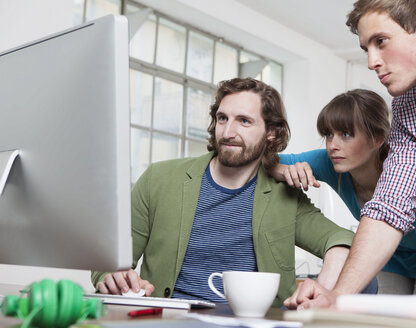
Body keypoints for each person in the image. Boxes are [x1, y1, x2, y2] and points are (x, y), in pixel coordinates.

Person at [285, 0, 416, 309]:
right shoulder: (409, 111)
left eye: (381, 42)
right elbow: (390, 207)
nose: (371, 61)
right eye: (366, 48)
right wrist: (338, 296)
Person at [91, 78, 366, 307]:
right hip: (170, 318)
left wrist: (324, 290)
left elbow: (341, 241)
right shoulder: (159, 179)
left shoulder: (284, 196)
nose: (228, 132)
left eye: (244, 121)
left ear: (271, 132)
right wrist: (111, 275)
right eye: (223, 118)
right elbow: (109, 260)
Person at [271, 89, 416, 307]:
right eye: (329, 134)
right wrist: (284, 170)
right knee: (381, 317)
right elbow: (265, 162)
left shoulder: (414, 177)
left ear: (377, 139)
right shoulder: (330, 161)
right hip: (396, 251)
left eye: (346, 134)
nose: (333, 145)